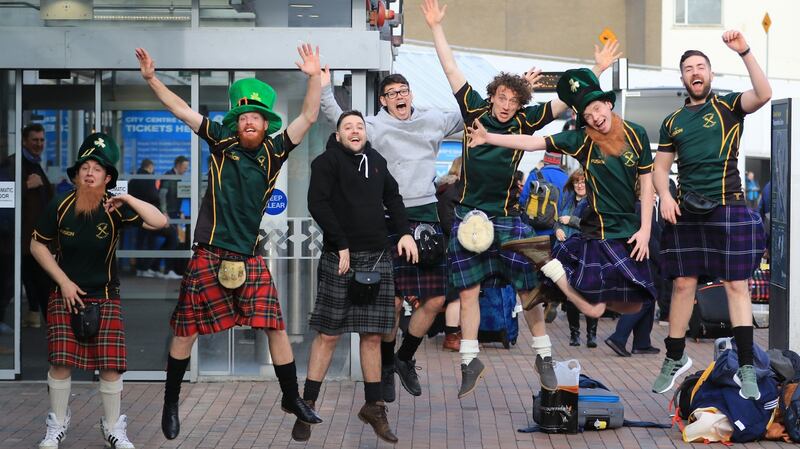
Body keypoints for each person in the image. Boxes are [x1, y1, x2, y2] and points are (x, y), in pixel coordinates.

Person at [422, 0, 620, 398]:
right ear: (493, 95)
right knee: (468, 292)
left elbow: (567, 99)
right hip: (468, 217)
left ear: (519, 103)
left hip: (507, 217)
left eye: (514, 100)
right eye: (502, 97)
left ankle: (544, 356)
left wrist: (595, 69)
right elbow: (449, 68)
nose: (507, 104)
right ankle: (469, 361)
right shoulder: (474, 110)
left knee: (528, 286)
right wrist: (436, 28)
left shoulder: (525, 122)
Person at [135, 44, 324, 439]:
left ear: (265, 123)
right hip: (208, 252)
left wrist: (312, 77)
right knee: (185, 330)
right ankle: (171, 401)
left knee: (274, 325)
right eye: (243, 117)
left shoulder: (275, 152)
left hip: (249, 256)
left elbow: (308, 115)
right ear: (236, 122)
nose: (249, 122)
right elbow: (180, 109)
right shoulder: (221, 141)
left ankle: (291, 397)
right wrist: (153, 79)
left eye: (256, 117)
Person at [466, 67, 657, 323]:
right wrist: (489, 137)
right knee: (595, 310)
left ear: (609, 104)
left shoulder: (637, 133)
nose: (595, 118)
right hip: (600, 231)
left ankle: (554, 277)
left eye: (598, 110)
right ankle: (553, 272)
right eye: (587, 115)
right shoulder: (581, 139)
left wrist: (645, 230)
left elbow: (647, 185)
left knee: (635, 305)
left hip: (629, 229)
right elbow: (533, 142)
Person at [319, 68, 462, 403]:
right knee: (392, 301)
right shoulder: (374, 126)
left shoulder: (433, 119)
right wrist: (324, 86)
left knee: (437, 299)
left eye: (404, 90)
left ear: (411, 94)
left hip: (426, 215)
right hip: (387, 218)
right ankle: (385, 367)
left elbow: (471, 110)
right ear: (383, 101)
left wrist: (514, 92)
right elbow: (337, 118)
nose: (400, 96)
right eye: (393, 93)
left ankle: (405, 358)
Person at [652, 30, 771, 399]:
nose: (695, 72)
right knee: (683, 283)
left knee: (737, 285)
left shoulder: (730, 107)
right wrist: (664, 196)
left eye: (700, 66)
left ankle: (747, 366)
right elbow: (659, 168)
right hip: (687, 209)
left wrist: (745, 52)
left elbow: (764, 94)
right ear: (683, 77)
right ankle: (675, 357)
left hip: (728, 204)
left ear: (710, 74)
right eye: (688, 68)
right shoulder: (672, 121)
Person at [30, 132, 168, 449]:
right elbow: (37, 245)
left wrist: (129, 198)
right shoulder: (60, 205)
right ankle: (56, 425)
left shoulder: (114, 207)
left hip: (105, 296)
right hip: (64, 295)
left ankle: (112, 428)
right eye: (85, 167)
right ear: (77, 174)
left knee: (110, 365)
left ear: (107, 178)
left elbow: (159, 221)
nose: (90, 173)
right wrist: (63, 281)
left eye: (97, 168)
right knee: (60, 363)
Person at [298, 110, 418, 443]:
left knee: (373, 336)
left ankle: (374, 406)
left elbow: (393, 197)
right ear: (337, 135)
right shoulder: (326, 163)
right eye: (348, 127)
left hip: (377, 257)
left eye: (360, 127)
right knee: (328, 334)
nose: (355, 131)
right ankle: (307, 404)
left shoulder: (376, 160)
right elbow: (317, 204)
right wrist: (341, 244)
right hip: (341, 258)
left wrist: (404, 233)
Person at [0, 124, 54, 328]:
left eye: (41, 140)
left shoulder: (34, 164)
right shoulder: (13, 164)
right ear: (24, 141)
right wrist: (26, 185)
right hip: (16, 240)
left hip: (32, 240)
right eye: (34, 140)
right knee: (9, 284)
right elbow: (3, 196)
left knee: (36, 282)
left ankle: (38, 317)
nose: (39, 144)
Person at [604, 181, 662, 357]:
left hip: (638, 258)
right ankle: (618, 338)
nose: (654, 194)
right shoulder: (644, 210)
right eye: (652, 191)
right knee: (645, 299)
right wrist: (663, 261)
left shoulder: (635, 208)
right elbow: (651, 240)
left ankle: (642, 342)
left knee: (649, 300)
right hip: (645, 259)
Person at [555, 169, 597, 347]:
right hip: (567, 252)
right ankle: (574, 334)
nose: (580, 185)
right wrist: (557, 228)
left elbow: (594, 225)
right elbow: (557, 220)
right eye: (576, 182)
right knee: (571, 295)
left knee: (590, 294)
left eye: (583, 182)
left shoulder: (593, 202)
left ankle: (591, 335)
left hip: (587, 251)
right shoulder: (566, 199)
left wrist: (571, 220)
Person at [128, 159, 179, 279]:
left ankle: (143, 268)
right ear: (150, 167)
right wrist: (161, 214)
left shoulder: (134, 179)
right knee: (171, 236)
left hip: (134, 217)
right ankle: (157, 268)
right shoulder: (149, 179)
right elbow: (154, 197)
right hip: (148, 216)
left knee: (143, 242)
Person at [435, 157, 462, 351]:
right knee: (456, 295)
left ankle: (453, 334)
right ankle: (452, 336)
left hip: (443, 246)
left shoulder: (444, 188)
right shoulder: (454, 191)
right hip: (452, 246)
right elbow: (450, 222)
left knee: (451, 294)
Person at [157, 155, 189, 279]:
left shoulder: (177, 177)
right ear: (178, 165)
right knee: (173, 240)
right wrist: (164, 212)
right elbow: (162, 195)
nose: (186, 170)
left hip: (174, 213)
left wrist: (180, 211)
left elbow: (176, 196)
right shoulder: (169, 175)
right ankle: (168, 270)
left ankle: (155, 266)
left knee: (171, 241)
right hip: (168, 215)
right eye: (185, 167)